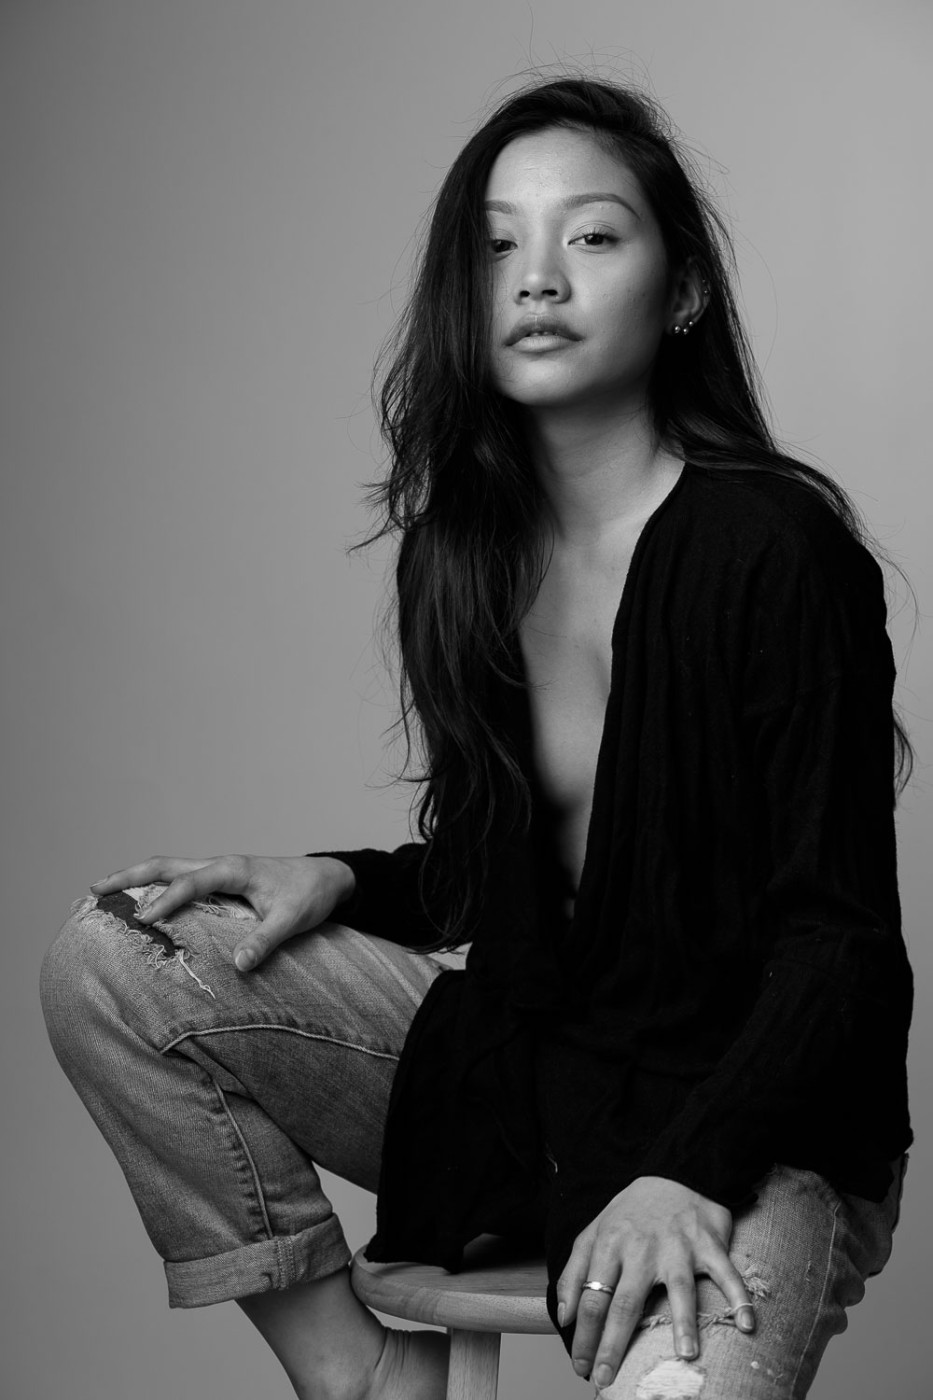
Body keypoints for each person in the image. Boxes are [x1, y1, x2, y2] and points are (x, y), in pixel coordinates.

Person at [40, 75, 914, 1400]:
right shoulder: (463, 553)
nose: (538, 278)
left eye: (592, 236)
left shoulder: (774, 553)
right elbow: (538, 886)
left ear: (682, 290)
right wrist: (344, 878)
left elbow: (842, 950)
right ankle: (364, 1375)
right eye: (498, 246)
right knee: (119, 960)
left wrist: (687, 1170)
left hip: (752, 1122)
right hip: (530, 1082)